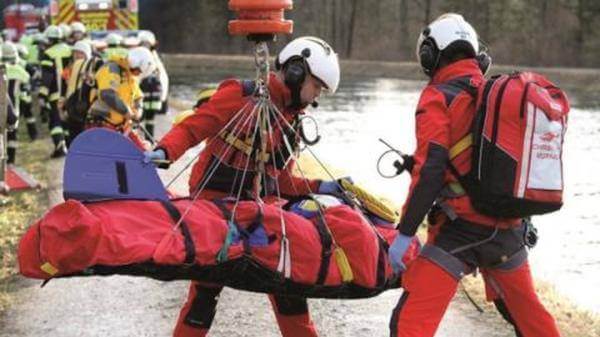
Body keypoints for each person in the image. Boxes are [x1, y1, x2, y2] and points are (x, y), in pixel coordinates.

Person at [145, 36, 343, 337]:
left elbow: (280, 180)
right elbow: (194, 126)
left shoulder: (292, 124)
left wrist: (322, 185)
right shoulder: (241, 96)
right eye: (316, 86)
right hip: (214, 205)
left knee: (288, 284)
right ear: (296, 72)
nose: (316, 97)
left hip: (257, 209)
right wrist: (166, 151)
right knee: (205, 293)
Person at [386, 14, 561, 337]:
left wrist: (405, 233)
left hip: (460, 233)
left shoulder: (437, 97)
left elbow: (432, 168)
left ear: (430, 55)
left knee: (409, 324)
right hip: (510, 231)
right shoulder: (494, 95)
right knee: (532, 322)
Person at [86, 46, 155, 150]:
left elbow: (138, 96)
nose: (138, 74)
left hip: (122, 126)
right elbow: (107, 94)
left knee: (142, 153)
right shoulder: (111, 69)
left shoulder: (130, 76)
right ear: (135, 63)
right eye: (139, 71)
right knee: (110, 159)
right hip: (102, 123)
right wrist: (127, 112)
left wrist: (138, 111)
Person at [39, 25, 72, 157]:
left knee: (55, 122)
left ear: (49, 39)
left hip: (56, 95)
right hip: (71, 95)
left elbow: (47, 77)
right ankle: (70, 147)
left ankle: (60, 147)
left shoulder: (48, 54)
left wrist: (42, 95)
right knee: (68, 122)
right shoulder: (70, 50)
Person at [2, 42, 31, 164]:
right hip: (14, 110)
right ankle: (11, 162)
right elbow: (26, 91)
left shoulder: (1, 70)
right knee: (12, 136)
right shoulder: (22, 72)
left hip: (1, 109)